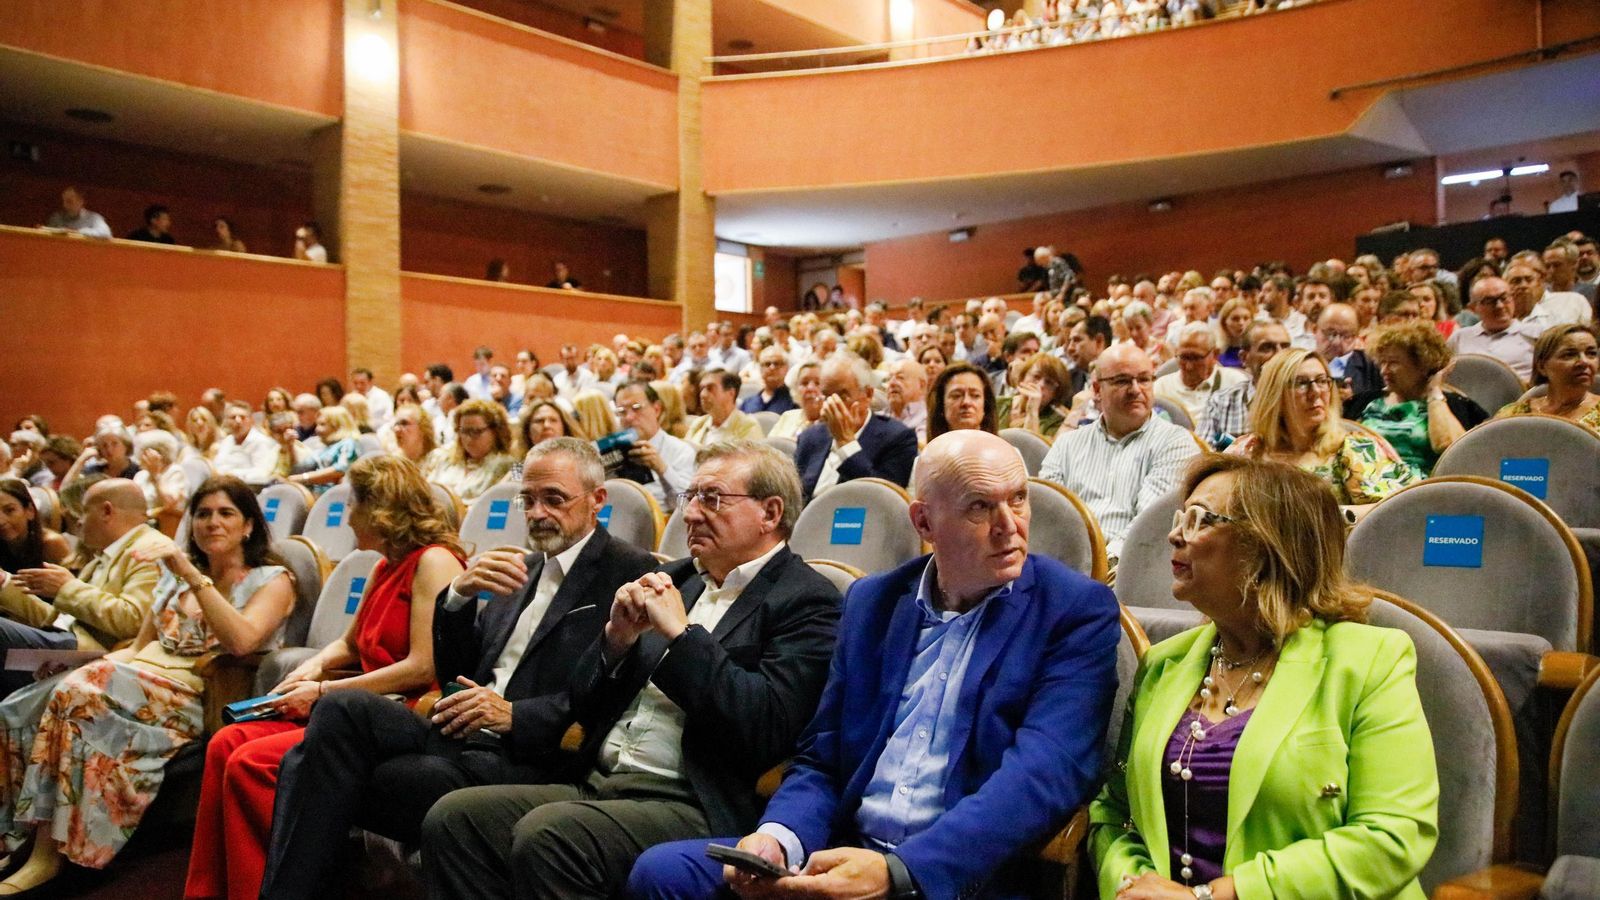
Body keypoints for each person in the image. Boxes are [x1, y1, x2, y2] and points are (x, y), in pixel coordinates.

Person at [628, 430, 1121, 899]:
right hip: (843, 852)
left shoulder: (1074, 609)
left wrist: (901, 872)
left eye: (1018, 498)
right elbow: (823, 757)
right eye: (979, 506)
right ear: (924, 523)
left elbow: (1046, 771)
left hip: (955, 874)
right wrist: (780, 838)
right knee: (662, 874)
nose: (1010, 525)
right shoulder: (874, 602)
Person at [419, 440, 841, 900]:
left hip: (691, 799)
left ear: (770, 512)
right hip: (601, 780)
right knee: (454, 819)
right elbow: (583, 703)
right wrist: (615, 643)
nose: (692, 514)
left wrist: (683, 638)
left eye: (712, 499)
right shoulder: (676, 578)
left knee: (550, 836)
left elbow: (765, 725)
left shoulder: (807, 599)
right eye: (690, 497)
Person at [1090, 455, 1438, 899]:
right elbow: (1115, 814)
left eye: (1199, 520)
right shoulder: (1164, 663)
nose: (1174, 534)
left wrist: (1219, 896)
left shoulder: (1369, 661)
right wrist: (1129, 885)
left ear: (1267, 544)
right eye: (1181, 518)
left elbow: (1393, 836)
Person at [184, 456, 465, 900]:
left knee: (251, 762)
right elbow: (350, 646)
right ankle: (206, 890)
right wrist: (308, 669)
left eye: (352, 502)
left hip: (396, 715)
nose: (346, 514)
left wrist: (322, 691)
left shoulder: (435, 561)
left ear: (380, 507)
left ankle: (261, 889)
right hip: (352, 703)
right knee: (226, 743)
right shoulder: (381, 565)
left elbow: (422, 666)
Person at [0, 477, 295, 893]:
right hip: (138, 682)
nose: (212, 522)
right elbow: (138, 648)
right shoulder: (173, 582)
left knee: (79, 693)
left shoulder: (271, 579)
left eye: (226, 513)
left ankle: (49, 857)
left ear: (248, 525)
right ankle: (20, 838)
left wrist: (192, 573)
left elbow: (242, 640)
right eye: (204, 514)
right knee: (25, 702)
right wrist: (72, 666)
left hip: (198, 695)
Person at [1041, 345, 1201, 558]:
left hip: (1129, 568)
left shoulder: (1175, 443)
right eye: (1122, 381)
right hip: (1067, 563)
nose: (1135, 389)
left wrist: (1099, 567)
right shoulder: (1067, 445)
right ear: (1097, 390)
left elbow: (1147, 527)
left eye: (1144, 379)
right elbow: (1048, 516)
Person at [1227, 349, 1417, 508]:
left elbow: (1389, 512)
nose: (1316, 392)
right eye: (1301, 383)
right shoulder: (1248, 450)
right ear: (1275, 396)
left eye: (1322, 381)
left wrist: (1331, 520)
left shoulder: (1353, 449)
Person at [1346, 321, 1487, 476]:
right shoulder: (1364, 403)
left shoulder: (1455, 406)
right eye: (1382, 362)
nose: (1384, 371)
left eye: (1393, 363)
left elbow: (1450, 447)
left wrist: (1434, 391)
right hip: (1365, 487)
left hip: (1421, 492)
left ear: (1423, 364)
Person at [794, 355, 918, 501]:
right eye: (826, 396)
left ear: (868, 394)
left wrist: (846, 443)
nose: (832, 405)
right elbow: (794, 496)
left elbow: (884, 500)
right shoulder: (811, 436)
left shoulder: (898, 437)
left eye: (842, 395)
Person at [0, 479, 73, 668]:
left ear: (29, 511)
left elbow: (70, 601)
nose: (1, 520)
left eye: (9, 510)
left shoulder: (52, 544)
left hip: (54, 626)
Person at [1197, 321, 1291, 449]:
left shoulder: (1306, 400)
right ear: (1244, 358)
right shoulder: (1221, 403)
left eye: (1285, 347)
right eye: (1267, 348)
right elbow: (1202, 457)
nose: (1280, 355)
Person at [1494, 323, 1600, 435]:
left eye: (1591, 354)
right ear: (1542, 367)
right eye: (1569, 355)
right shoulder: (1513, 414)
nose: (1584, 362)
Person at [612, 381, 697, 513]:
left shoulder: (681, 451)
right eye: (622, 412)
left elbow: (687, 504)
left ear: (656, 409)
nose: (629, 417)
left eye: (636, 408)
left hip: (662, 524)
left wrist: (662, 469)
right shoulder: (613, 452)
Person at [1447, 276, 1540, 382]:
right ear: (1473, 308)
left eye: (1504, 298)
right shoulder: (1460, 337)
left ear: (1513, 299)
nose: (1499, 306)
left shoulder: (1535, 334)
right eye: (1489, 301)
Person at [424, 399, 517, 504]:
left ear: (495, 432)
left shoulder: (508, 466)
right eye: (464, 431)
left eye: (476, 432)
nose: (468, 439)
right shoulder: (444, 459)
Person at [999, 351, 1077, 439]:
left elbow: (1031, 448)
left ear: (1056, 393)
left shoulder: (1056, 422)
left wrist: (1032, 411)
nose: (1040, 385)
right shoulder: (997, 403)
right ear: (1022, 377)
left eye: (1049, 383)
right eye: (1036, 376)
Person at [285, 406, 361, 494]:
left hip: (336, 497)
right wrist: (290, 446)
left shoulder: (349, 443)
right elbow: (299, 469)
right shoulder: (323, 447)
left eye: (322, 424)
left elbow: (341, 469)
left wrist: (304, 478)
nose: (317, 429)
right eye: (317, 425)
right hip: (315, 494)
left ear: (337, 426)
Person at [132, 429, 190, 536]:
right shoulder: (141, 475)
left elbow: (170, 503)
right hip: (140, 527)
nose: (141, 457)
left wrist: (156, 476)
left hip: (165, 529)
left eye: (146, 453)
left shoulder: (175, 471)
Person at [686, 370, 763, 445]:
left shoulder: (748, 426)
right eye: (702, 389)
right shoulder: (699, 423)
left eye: (710, 388)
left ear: (731, 393)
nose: (703, 394)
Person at [926, 362, 999, 440]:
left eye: (975, 395)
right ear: (941, 405)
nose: (966, 402)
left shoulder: (1006, 450)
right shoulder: (930, 451)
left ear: (985, 405)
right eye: (956, 396)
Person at [212, 402, 278, 487]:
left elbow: (262, 473)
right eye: (233, 417)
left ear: (251, 420)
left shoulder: (261, 442)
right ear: (226, 421)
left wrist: (232, 475)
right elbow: (218, 466)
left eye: (242, 417)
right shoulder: (226, 441)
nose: (238, 421)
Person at [769, 362, 824, 441]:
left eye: (818, 383)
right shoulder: (788, 416)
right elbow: (769, 446)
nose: (810, 388)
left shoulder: (834, 423)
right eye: (804, 383)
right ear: (796, 389)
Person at [882, 357, 929, 442]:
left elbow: (921, 451)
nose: (891, 383)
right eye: (889, 379)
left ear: (922, 386)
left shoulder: (929, 418)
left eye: (900, 378)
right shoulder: (878, 416)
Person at [740, 346, 798, 415]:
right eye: (767, 364)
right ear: (760, 369)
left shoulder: (795, 401)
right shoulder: (747, 403)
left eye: (777, 363)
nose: (772, 367)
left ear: (786, 368)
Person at [42, 186, 111, 238]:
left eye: (69, 201)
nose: (64, 205)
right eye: (63, 201)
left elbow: (106, 233)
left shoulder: (94, 218)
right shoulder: (56, 217)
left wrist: (77, 232)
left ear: (81, 201)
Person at [1215, 298, 1254, 369]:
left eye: (1246, 318)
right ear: (1224, 323)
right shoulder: (1216, 352)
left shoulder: (1257, 351)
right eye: (1235, 319)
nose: (1241, 323)